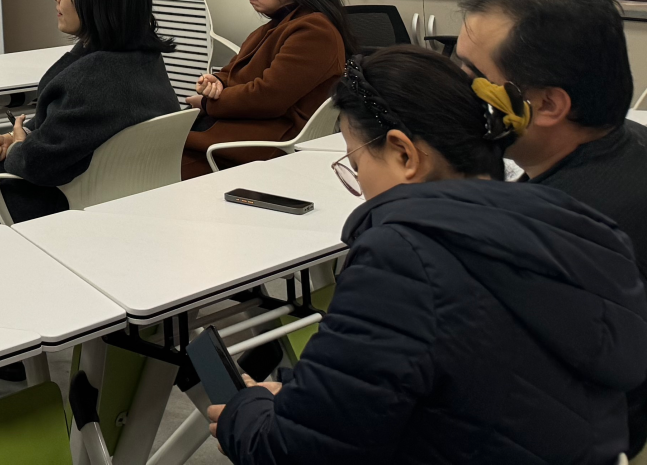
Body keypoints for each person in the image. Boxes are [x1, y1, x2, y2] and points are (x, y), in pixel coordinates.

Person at [209, 46, 647, 465]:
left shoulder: (404, 258)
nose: (359, 186)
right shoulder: (577, 225)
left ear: (404, 154)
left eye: (356, 165)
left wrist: (244, 411)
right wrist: (304, 397)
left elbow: (297, 452)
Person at [456, 0, 647, 456]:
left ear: (546, 105)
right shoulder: (631, 144)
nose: (454, 89)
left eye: (472, 77)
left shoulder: (547, 232)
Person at [0, 0, 178, 232]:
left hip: (62, 202)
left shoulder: (91, 81)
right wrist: (16, 136)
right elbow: (72, 128)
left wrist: (17, 146)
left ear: (96, 1)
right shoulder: (145, 59)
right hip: (125, 197)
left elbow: (38, 162)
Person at [183, 0, 350, 177]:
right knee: (153, 150)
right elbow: (232, 72)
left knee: (152, 162)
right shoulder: (276, 26)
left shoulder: (313, 31)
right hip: (241, 133)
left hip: (262, 145)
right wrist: (215, 81)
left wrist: (208, 103)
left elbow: (267, 97)